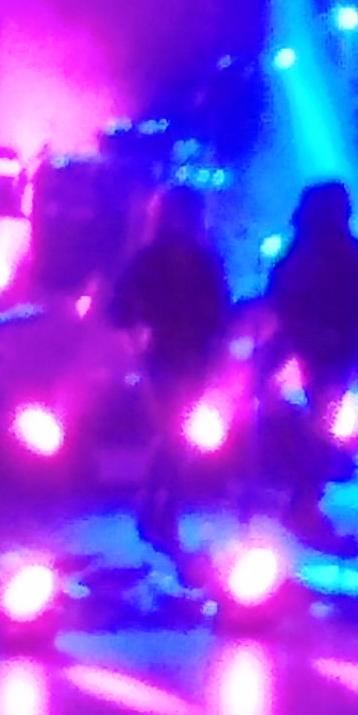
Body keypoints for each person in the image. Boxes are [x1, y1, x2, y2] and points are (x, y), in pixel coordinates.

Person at [109, 182, 231, 566]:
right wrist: (138, 338)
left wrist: (216, 345)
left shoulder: (201, 260)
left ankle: (153, 509)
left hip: (192, 355)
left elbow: (219, 309)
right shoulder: (152, 259)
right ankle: (162, 513)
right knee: (173, 434)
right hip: (164, 354)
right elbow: (120, 309)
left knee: (176, 436)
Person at [259, 180, 358, 547]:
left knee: (323, 429)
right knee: (321, 429)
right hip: (320, 348)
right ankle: (302, 505)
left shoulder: (325, 249)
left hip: (328, 347)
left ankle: (304, 503)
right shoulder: (322, 250)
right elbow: (286, 295)